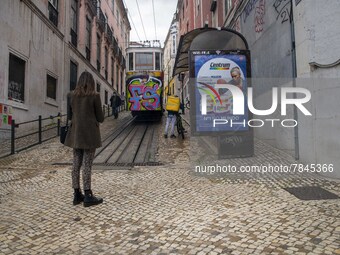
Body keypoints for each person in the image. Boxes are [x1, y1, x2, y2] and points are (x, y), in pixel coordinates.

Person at [64, 71, 104, 207]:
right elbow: (101, 118)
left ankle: (76, 194)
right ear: (91, 82)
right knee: (87, 164)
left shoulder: (71, 95)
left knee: (76, 164)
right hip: (90, 135)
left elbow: (69, 116)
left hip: (76, 135)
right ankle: (88, 195)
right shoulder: (95, 96)